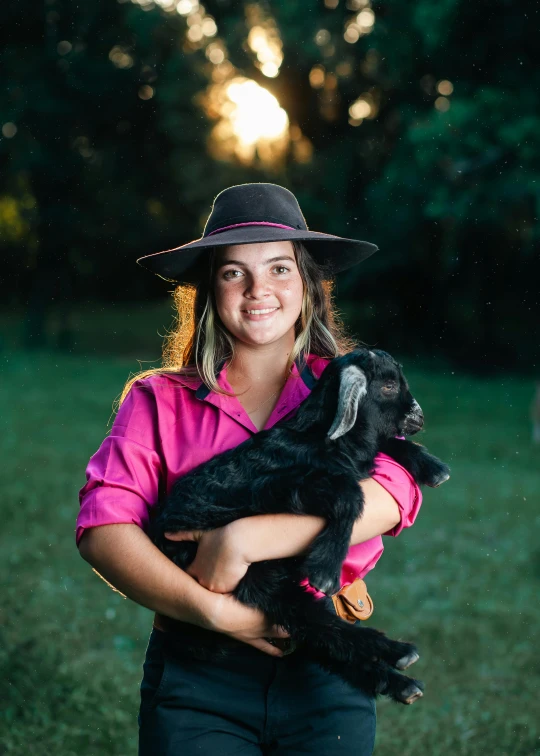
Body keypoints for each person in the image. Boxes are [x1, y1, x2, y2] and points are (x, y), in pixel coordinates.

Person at [76, 183, 423, 755]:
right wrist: (220, 614)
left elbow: (395, 489)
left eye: (280, 268)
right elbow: (103, 530)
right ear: (211, 289)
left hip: (327, 667)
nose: (260, 289)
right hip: (199, 668)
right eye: (235, 272)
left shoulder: (347, 386)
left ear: (308, 286)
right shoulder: (157, 399)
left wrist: (242, 540)